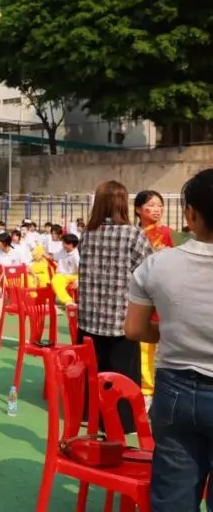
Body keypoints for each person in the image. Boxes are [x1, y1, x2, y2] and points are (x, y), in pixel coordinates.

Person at [124, 169, 213, 512]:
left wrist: (174, 327)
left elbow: (136, 330)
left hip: (176, 389)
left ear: (190, 214)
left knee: (175, 507)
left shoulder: (158, 265)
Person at [77, 180, 153, 434]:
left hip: (89, 318)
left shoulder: (86, 234)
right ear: (123, 204)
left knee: (92, 371)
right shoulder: (133, 234)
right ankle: (121, 421)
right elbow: (149, 270)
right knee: (121, 374)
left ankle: (90, 415)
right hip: (120, 318)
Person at [135, 189, 174, 402]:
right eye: (151, 205)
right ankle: (147, 390)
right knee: (144, 347)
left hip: (164, 295)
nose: (157, 209)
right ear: (138, 209)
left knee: (167, 345)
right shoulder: (133, 234)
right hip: (141, 295)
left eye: (160, 205)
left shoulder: (169, 233)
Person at [50, 234, 81, 305]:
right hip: (63, 275)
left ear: (72, 244)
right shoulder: (62, 251)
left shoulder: (77, 256)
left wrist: (78, 280)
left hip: (75, 275)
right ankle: (68, 301)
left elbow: (82, 270)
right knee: (55, 281)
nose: (63, 245)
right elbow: (53, 257)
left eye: (66, 243)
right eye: (63, 243)